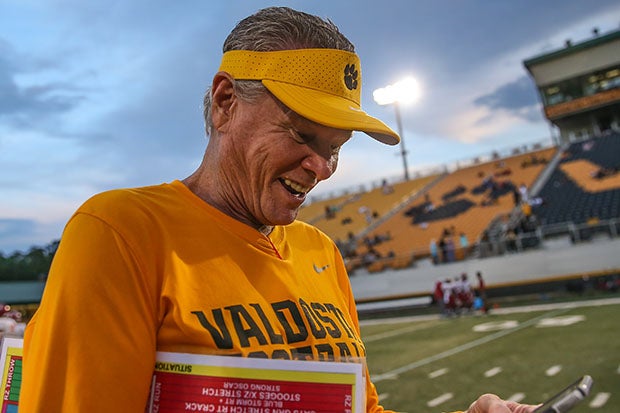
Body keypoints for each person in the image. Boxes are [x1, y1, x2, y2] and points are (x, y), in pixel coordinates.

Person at [19, 7, 537, 413]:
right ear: (226, 102)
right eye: (301, 134)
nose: (323, 167)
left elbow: (358, 408)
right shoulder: (121, 231)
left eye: (336, 147)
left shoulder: (321, 252)